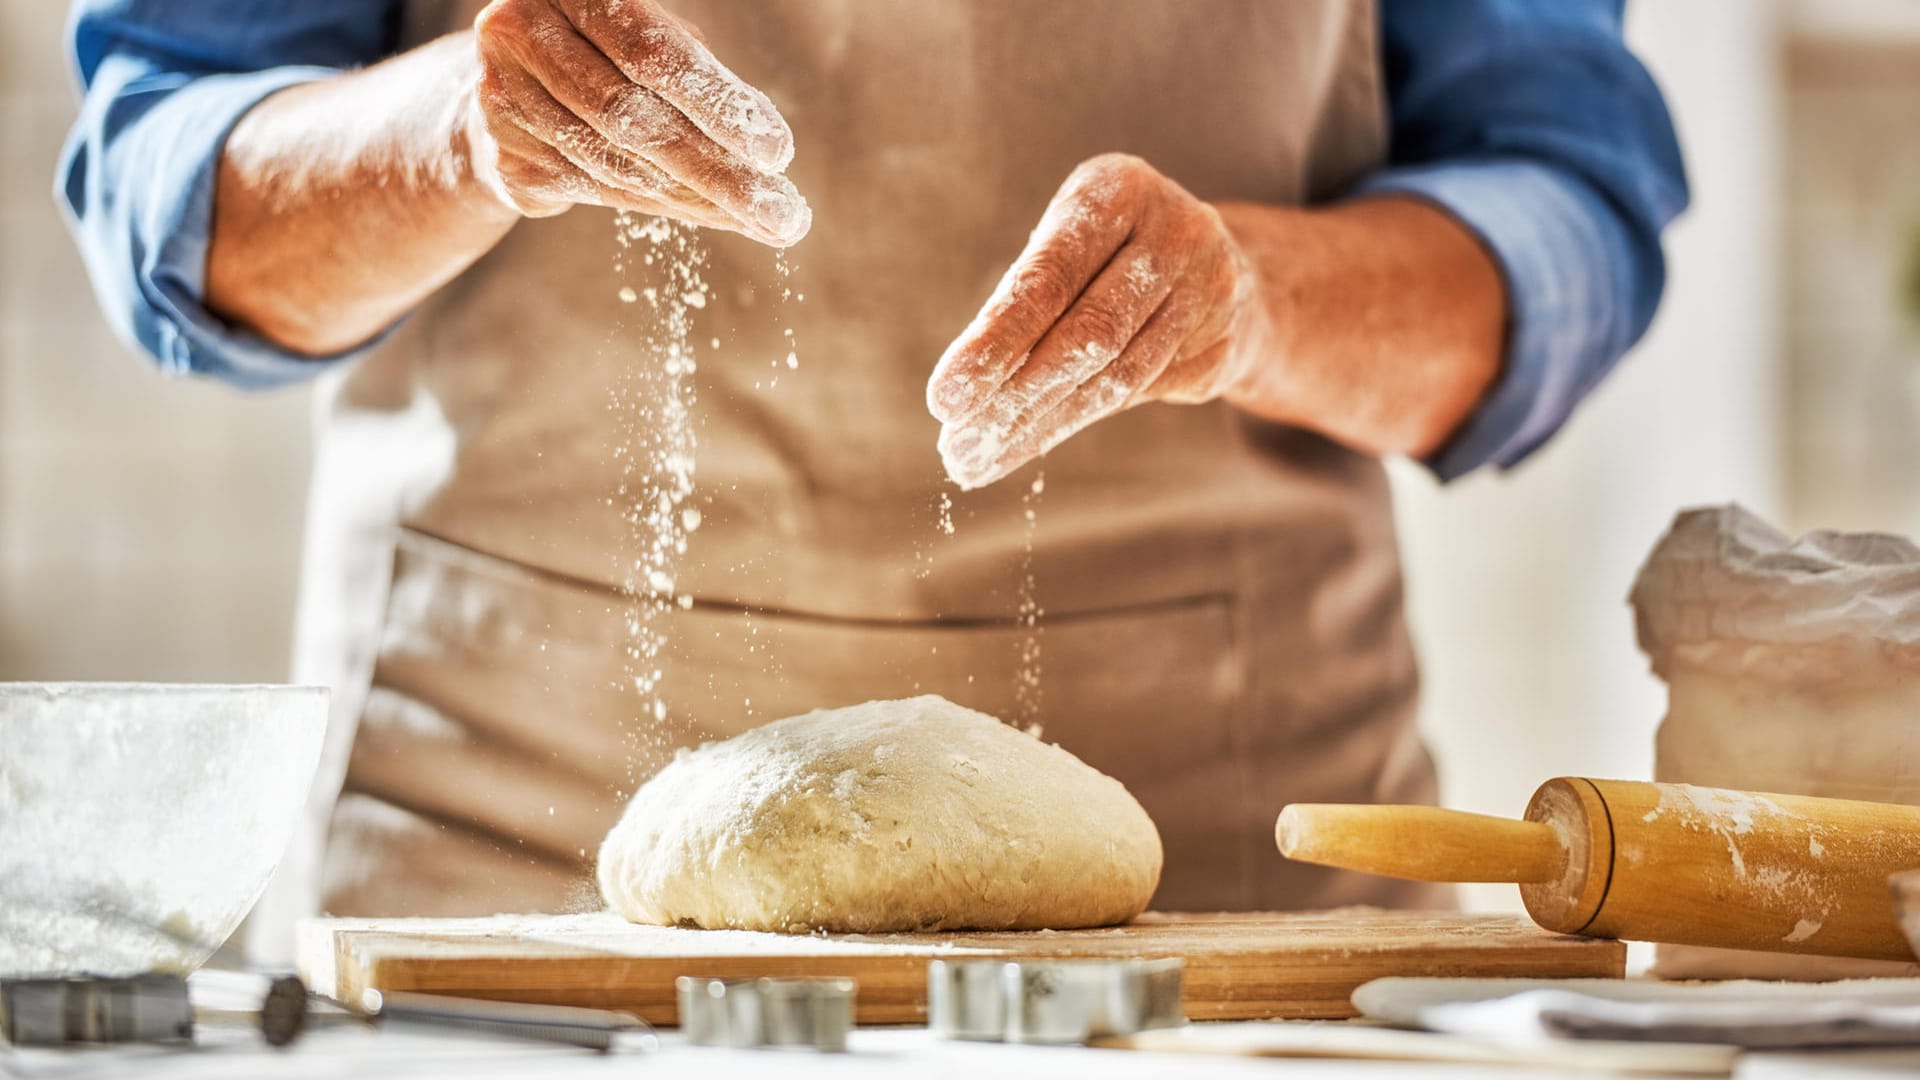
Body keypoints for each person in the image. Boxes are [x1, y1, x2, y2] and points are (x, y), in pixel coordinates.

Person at [60, 0, 1686, 955]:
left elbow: (1561, 215)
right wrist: (454, 136)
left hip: (1226, 898)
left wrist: (1256, 302)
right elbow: (169, 183)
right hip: (507, 872)